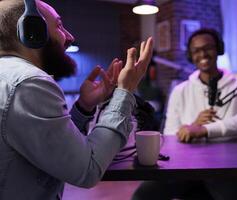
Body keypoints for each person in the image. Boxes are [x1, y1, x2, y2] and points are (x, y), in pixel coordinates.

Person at [0, 0, 153, 199]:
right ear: (32, 31)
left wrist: (84, 106)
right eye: (59, 26)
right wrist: (125, 91)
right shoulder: (29, 83)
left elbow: (56, 150)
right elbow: (87, 170)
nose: (70, 37)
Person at [132, 28, 237, 200]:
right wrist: (193, 125)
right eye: (196, 50)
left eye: (208, 48)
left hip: (225, 166)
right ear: (190, 56)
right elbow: (170, 133)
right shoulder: (180, 90)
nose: (203, 54)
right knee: (143, 195)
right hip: (186, 166)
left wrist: (205, 130)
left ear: (219, 49)